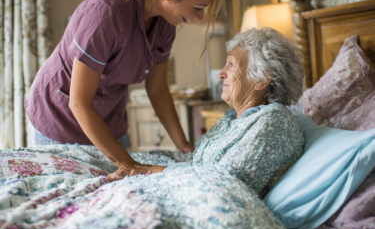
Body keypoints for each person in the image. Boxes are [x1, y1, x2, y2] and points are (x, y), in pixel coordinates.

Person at [25, 0, 222, 173]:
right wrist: (129, 164)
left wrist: (185, 148)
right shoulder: (104, 15)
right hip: (60, 120)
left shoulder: (166, 25)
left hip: (110, 122)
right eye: (198, 8)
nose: (200, 17)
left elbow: (157, 89)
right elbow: (79, 102)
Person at [107, 28, 306, 198]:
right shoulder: (232, 117)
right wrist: (137, 163)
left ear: (262, 79)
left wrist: (147, 170)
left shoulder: (274, 121)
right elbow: (194, 162)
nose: (220, 73)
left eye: (231, 64)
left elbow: (226, 182)